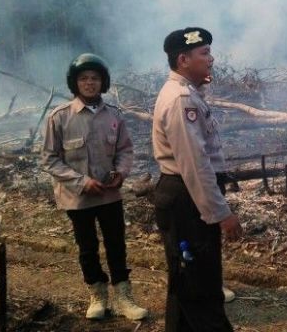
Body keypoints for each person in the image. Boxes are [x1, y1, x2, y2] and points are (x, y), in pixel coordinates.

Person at [41, 53, 148, 321]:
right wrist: (81, 181)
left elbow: (125, 150)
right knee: (87, 247)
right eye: (84, 79)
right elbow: (50, 159)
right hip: (78, 199)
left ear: (103, 82)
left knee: (116, 245)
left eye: (95, 78)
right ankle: (97, 295)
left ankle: (124, 297)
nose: (90, 83)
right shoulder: (60, 117)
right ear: (74, 83)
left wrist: (121, 173)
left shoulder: (113, 116)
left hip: (110, 196)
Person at [152, 27, 243, 332]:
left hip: (184, 196)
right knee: (201, 287)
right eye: (204, 53)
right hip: (187, 200)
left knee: (185, 281)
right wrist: (221, 213)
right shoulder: (181, 100)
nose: (211, 59)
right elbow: (195, 165)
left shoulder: (187, 94)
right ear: (183, 59)